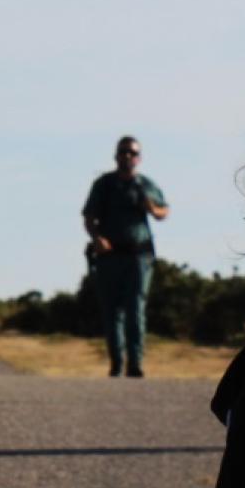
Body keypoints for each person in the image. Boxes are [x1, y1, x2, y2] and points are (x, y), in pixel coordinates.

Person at [82, 136, 168, 377]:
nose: (127, 157)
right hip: (110, 256)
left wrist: (153, 209)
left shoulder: (146, 185)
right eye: (123, 152)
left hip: (139, 256)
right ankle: (117, 363)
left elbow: (164, 211)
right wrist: (96, 237)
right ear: (116, 155)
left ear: (138, 158)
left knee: (135, 309)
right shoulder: (104, 185)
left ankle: (135, 364)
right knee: (112, 311)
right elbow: (89, 217)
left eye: (132, 153)